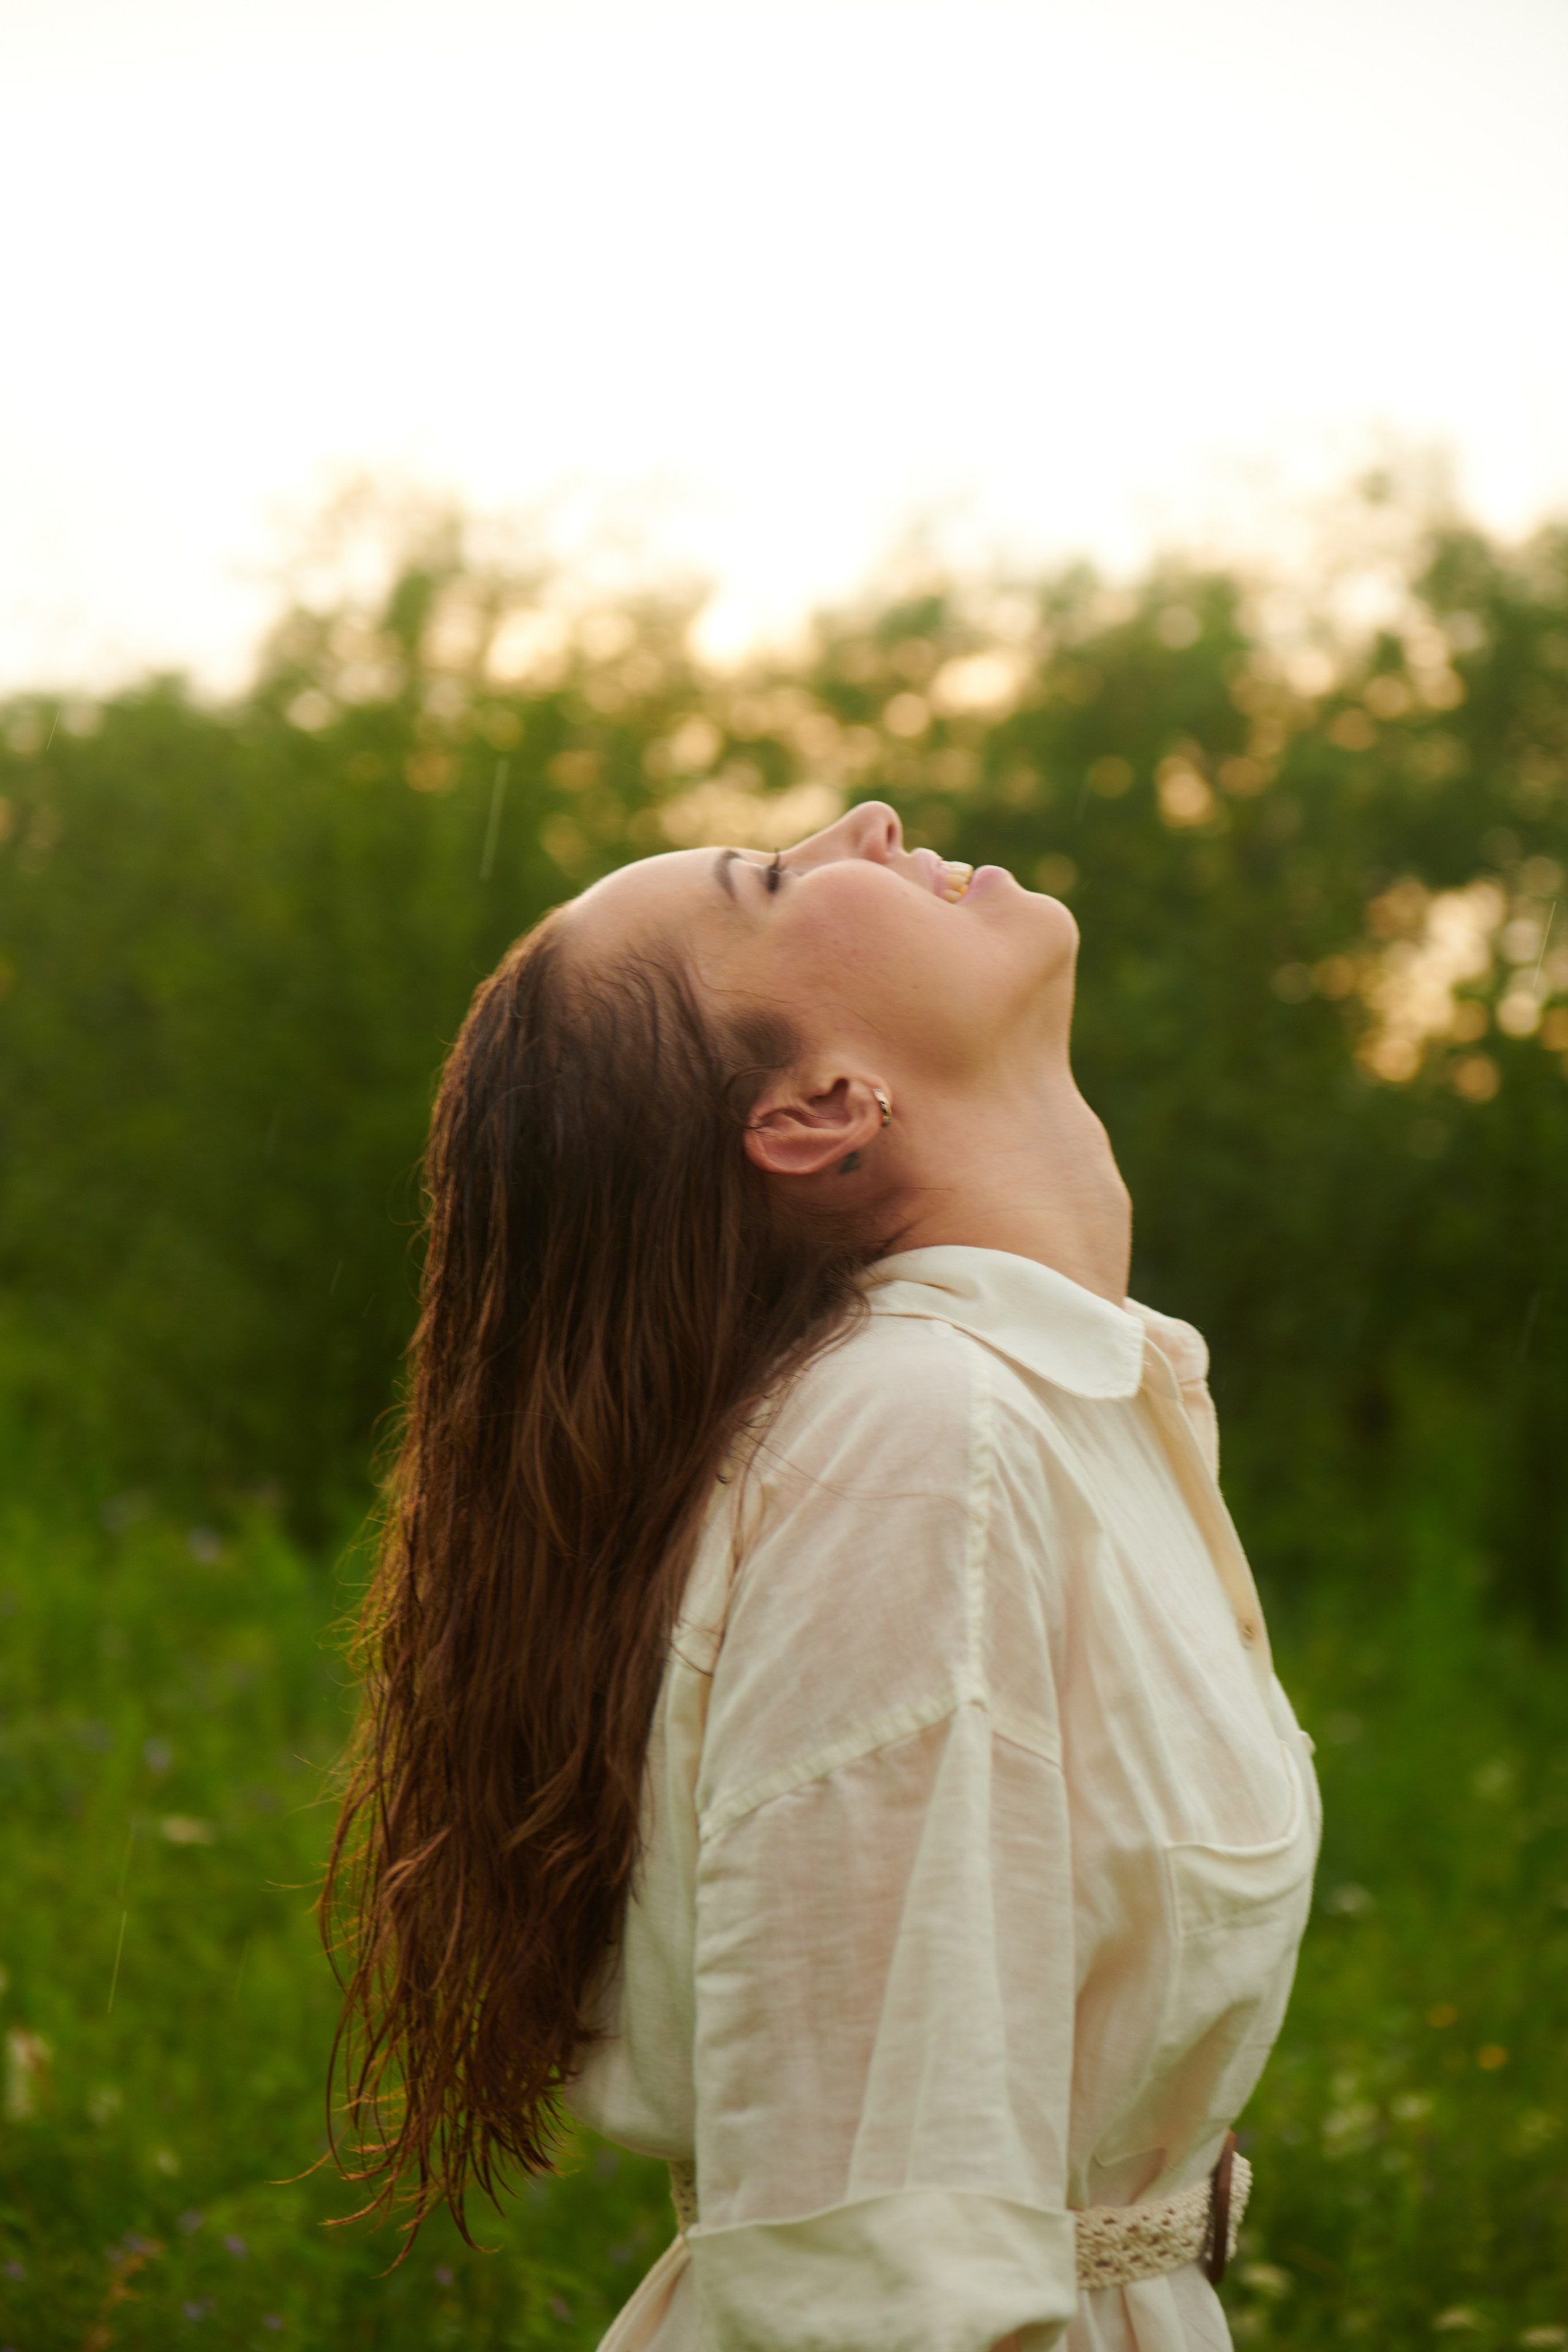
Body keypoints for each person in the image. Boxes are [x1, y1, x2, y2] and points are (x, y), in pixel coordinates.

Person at [325, 800, 1321, 2352]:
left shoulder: (1039, 1409)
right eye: (773, 881)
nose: (864, 820)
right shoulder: (919, 1445)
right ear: (813, 1112)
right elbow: (874, 2268)